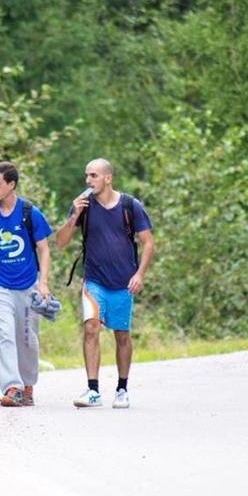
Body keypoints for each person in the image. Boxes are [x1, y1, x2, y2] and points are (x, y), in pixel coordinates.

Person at [56, 159, 154, 409]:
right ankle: (92, 390)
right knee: (91, 327)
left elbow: (148, 243)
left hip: (123, 282)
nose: (88, 181)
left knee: (121, 335)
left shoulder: (130, 205)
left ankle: (122, 388)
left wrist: (139, 275)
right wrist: (73, 216)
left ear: (108, 178)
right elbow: (60, 242)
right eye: (86, 176)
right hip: (94, 280)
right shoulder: (83, 206)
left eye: (94, 175)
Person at [0, 161, 53, 407]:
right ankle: (13, 387)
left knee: (28, 339)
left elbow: (44, 249)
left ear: (11, 184)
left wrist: (43, 283)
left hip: (28, 287)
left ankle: (28, 384)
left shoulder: (30, 212)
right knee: (4, 336)